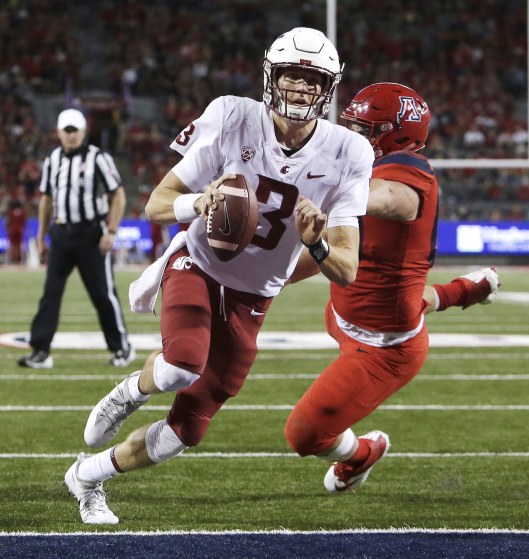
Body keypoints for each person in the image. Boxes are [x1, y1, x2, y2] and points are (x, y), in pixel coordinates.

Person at [63, 27, 375, 524]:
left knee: (184, 434)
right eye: (291, 76)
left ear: (328, 88)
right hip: (200, 264)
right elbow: (156, 204)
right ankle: (132, 391)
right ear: (271, 78)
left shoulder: (350, 153)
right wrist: (200, 202)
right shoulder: (231, 115)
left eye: (311, 79)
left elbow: (347, 269)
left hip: (255, 296)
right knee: (182, 363)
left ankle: (87, 476)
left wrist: (314, 241)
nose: (299, 88)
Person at [283, 83, 500, 493]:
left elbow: (386, 197)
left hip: (384, 349)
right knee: (403, 295)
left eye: (364, 130)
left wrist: (327, 188)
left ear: (394, 134)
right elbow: (329, 249)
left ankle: (363, 453)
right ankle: (466, 290)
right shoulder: (360, 174)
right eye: (352, 127)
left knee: (304, 435)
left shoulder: (408, 174)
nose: (353, 137)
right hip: (344, 315)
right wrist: (262, 280)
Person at [17, 108, 134, 369]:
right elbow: (46, 200)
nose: (70, 136)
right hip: (61, 234)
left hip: (91, 234)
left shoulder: (98, 158)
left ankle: (121, 348)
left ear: (83, 132)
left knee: (103, 294)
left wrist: (112, 231)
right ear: (58, 132)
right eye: (66, 131)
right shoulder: (52, 160)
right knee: (50, 294)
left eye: (75, 131)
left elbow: (118, 195)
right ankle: (40, 351)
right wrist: (40, 236)